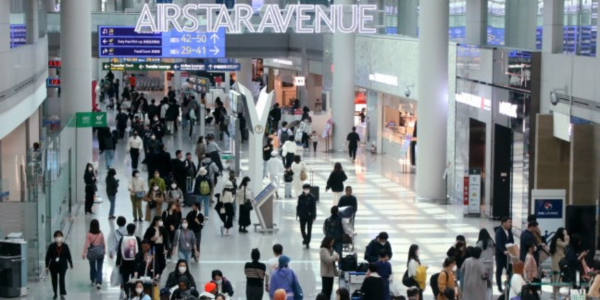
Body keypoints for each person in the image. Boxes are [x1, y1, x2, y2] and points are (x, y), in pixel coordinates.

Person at [46, 230, 73, 299]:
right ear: (54, 237)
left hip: (63, 265)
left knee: (62, 279)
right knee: (54, 280)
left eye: (60, 236)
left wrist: (70, 263)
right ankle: (55, 293)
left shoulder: (65, 246)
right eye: (57, 236)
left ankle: (62, 293)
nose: (58, 237)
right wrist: (46, 266)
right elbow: (48, 256)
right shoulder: (51, 246)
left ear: (62, 237)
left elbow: (68, 256)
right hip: (53, 266)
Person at [116, 223, 142, 298]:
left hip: (125, 262)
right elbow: (140, 251)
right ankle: (134, 292)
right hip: (134, 262)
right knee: (135, 278)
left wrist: (118, 262)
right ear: (134, 230)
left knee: (125, 278)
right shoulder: (137, 239)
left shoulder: (123, 238)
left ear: (127, 230)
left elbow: (119, 251)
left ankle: (127, 292)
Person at [82, 219, 106, 289]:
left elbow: (86, 244)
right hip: (99, 252)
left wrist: (84, 253)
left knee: (92, 267)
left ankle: (93, 280)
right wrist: (104, 251)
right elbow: (103, 243)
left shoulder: (89, 234)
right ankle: (98, 282)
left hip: (92, 252)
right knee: (100, 267)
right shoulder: (100, 233)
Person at [495, 216, 514, 292]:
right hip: (500, 255)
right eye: (509, 222)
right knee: (499, 270)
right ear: (504, 223)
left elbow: (512, 241)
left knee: (510, 270)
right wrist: (503, 251)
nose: (510, 224)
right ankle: (499, 286)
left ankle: (510, 284)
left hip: (508, 255)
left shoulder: (509, 231)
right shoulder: (499, 232)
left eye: (510, 222)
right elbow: (499, 243)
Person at [297, 184, 317, 248]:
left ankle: (307, 241)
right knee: (302, 228)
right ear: (303, 189)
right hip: (302, 215)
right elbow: (298, 206)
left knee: (309, 229)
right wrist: (298, 214)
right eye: (305, 189)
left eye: (307, 189)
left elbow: (314, 207)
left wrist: (314, 216)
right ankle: (305, 238)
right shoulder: (300, 197)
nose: (306, 190)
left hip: (309, 215)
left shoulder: (312, 197)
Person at [550, 227, 568, 296]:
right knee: (557, 276)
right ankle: (556, 293)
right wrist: (566, 236)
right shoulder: (558, 240)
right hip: (558, 260)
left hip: (556, 260)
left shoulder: (555, 239)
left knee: (556, 277)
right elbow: (565, 244)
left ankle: (555, 293)